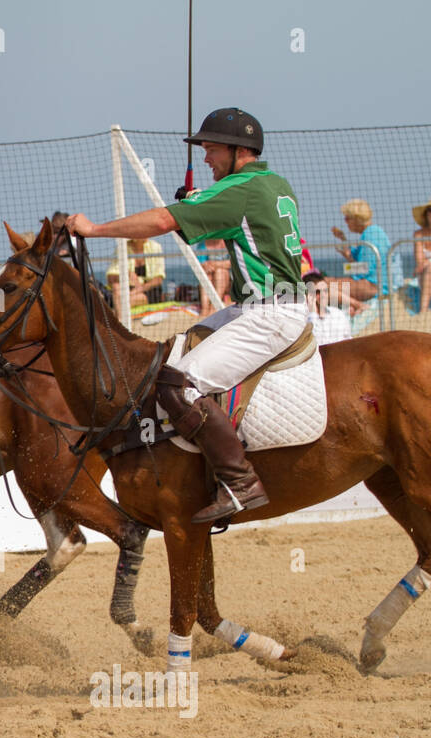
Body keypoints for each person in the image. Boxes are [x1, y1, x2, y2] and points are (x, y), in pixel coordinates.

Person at [67, 107, 306, 524]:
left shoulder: (237, 190)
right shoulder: (271, 182)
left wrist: (94, 229)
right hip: (263, 307)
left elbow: (162, 220)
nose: (208, 159)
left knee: (178, 384)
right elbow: (234, 222)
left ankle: (241, 482)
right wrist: (199, 204)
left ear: (238, 150)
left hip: (270, 314)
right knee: (171, 354)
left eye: (212, 150)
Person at [330, 199, 390, 315]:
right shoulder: (372, 232)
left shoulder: (370, 235)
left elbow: (364, 269)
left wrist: (346, 268)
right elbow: (359, 259)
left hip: (374, 286)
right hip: (375, 283)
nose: (346, 222)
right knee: (328, 283)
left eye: (347, 218)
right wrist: (343, 239)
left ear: (356, 218)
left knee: (326, 286)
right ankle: (351, 307)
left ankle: (355, 307)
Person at [106, 237, 166, 307]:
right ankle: (119, 315)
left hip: (149, 290)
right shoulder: (122, 248)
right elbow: (111, 277)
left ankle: (118, 313)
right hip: (128, 289)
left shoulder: (155, 247)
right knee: (116, 286)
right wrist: (128, 274)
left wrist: (139, 289)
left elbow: (158, 279)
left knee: (125, 300)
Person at [302, 271, 353, 347]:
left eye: (325, 291)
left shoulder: (338, 314)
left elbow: (349, 342)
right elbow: (313, 345)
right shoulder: (302, 319)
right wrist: (313, 313)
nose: (323, 295)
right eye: (318, 292)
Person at [194, 238, 232, 317]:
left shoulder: (230, 241)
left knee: (220, 271)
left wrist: (215, 264)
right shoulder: (202, 245)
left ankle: (214, 307)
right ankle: (205, 308)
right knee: (206, 274)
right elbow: (199, 265)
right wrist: (206, 265)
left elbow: (233, 263)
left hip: (229, 282)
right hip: (211, 278)